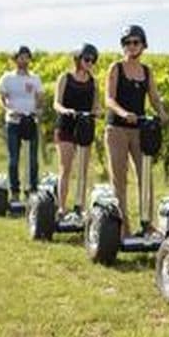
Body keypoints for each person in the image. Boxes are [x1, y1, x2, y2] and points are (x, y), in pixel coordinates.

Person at [105, 25, 169, 239]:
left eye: (136, 42)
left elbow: (154, 96)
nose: (132, 46)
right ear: (123, 46)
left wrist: (161, 112)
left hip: (140, 129)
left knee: (145, 175)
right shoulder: (116, 68)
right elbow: (109, 99)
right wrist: (123, 113)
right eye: (128, 43)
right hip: (117, 129)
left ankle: (147, 223)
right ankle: (122, 227)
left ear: (143, 45)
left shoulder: (147, 71)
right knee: (119, 178)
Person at [53, 43, 102, 225]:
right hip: (66, 126)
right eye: (86, 59)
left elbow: (96, 105)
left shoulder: (93, 82)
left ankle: (79, 207)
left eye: (92, 60)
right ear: (78, 59)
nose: (90, 62)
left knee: (82, 169)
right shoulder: (65, 78)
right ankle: (61, 208)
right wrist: (65, 110)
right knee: (65, 168)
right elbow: (56, 103)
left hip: (85, 126)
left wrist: (98, 111)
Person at [0, 46, 44, 201]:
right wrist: (8, 109)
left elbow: (39, 97)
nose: (24, 60)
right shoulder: (7, 78)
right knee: (14, 158)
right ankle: (15, 191)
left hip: (30, 120)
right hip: (14, 121)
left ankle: (32, 190)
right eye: (21, 57)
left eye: (26, 57)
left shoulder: (34, 78)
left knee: (32, 159)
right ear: (15, 59)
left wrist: (38, 109)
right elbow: (2, 97)